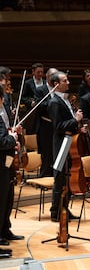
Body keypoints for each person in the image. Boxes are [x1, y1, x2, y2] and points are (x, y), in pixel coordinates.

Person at [47, 71, 85, 222]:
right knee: (60, 179)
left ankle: (64, 208)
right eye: (65, 80)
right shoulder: (54, 102)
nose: (68, 82)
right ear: (56, 84)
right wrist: (75, 120)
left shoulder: (65, 100)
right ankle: (55, 211)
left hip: (68, 141)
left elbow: (67, 124)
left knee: (67, 178)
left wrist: (78, 128)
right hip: (61, 144)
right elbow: (58, 126)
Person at [0, 86, 24, 252]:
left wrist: (12, 133)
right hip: (1, 162)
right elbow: (2, 142)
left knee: (8, 196)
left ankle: (4, 229)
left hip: (7, 161)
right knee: (1, 199)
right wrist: (12, 137)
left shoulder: (2, 112)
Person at [34, 67, 58, 177]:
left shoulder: (59, 89)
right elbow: (39, 106)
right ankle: (44, 177)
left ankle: (56, 177)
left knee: (57, 152)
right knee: (47, 153)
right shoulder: (41, 90)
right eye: (53, 76)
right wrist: (52, 104)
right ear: (47, 77)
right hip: (45, 125)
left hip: (57, 125)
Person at [22, 62, 46, 135]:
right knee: (32, 131)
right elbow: (23, 97)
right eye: (38, 72)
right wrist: (30, 103)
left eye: (42, 72)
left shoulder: (46, 83)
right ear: (33, 72)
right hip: (32, 112)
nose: (40, 74)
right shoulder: (28, 83)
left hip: (43, 112)